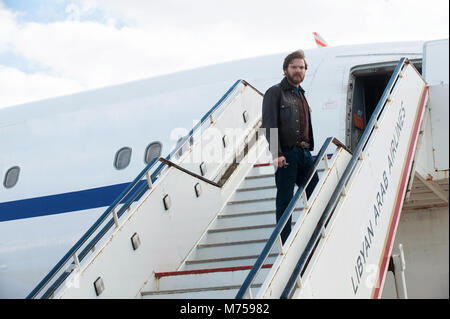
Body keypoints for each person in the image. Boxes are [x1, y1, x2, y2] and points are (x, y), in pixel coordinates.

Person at [261, 50, 319, 244]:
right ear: (285, 69)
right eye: (294, 67)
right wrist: (276, 153)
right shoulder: (275, 92)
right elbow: (269, 125)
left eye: (301, 67)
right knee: (285, 200)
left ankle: (317, 233)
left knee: (317, 192)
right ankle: (285, 241)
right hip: (286, 153)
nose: (298, 71)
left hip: (304, 153)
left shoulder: (302, 95)